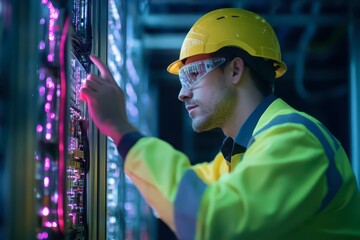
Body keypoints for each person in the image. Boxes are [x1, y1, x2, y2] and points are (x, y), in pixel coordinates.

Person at [80, 8, 360, 240]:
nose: (182, 93)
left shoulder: (294, 141)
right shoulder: (240, 155)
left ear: (235, 70)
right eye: (182, 80)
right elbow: (186, 191)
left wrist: (121, 129)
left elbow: (209, 220)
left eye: (193, 74)